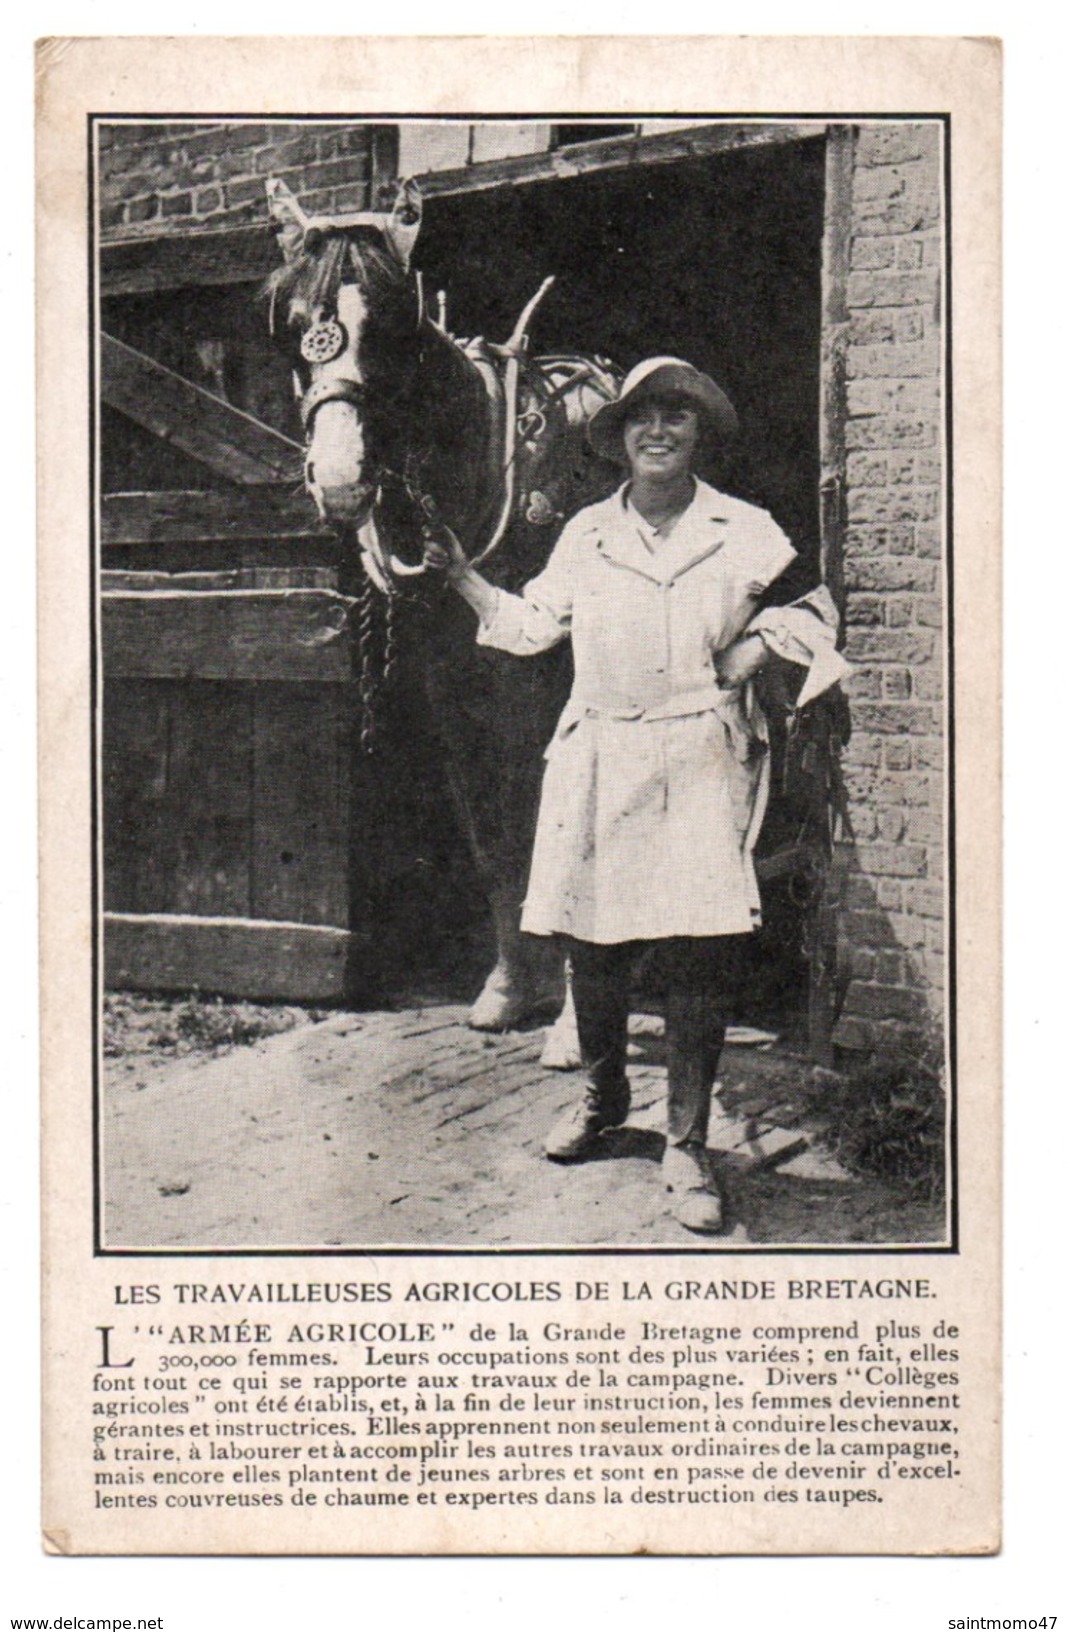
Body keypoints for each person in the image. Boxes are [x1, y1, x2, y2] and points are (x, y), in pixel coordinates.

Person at [423, 356, 846, 1233]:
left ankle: (686, 1145)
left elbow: (815, 611)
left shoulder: (744, 527)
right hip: (600, 745)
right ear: (616, 439)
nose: (658, 432)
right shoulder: (584, 532)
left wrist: (755, 649)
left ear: (698, 434)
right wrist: (464, 574)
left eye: (676, 418)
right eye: (641, 419)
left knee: (696, 952)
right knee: (596, 944)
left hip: (698, 747)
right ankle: (602, 1098)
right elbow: (536, 625)